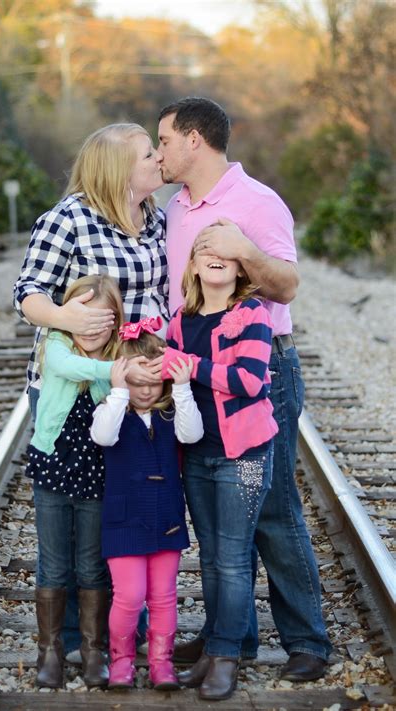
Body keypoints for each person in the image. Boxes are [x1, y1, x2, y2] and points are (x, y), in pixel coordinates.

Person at [157, 96, 332, 682]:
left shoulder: (258, 202)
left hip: (260, 374)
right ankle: (230, 639)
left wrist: (244, 251)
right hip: (197, 380)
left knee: (274, 510)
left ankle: (307, 639)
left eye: (163, 141)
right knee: (215, 522)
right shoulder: (175, 208)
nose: (159, 153)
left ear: (193, 140)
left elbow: (287, 285)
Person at [13, 123, 166, 664]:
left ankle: (123, 633)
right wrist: (65, 315)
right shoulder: (67, 219)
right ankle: (73, 642)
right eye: (149, 153)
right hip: (76, 386)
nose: (159, 158)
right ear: (119, 168)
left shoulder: (157, 219)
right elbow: (28, 293)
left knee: (124, 507)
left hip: (141, 387)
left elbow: (161, 297)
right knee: (74, 514)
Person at [159, 243, 277, 700]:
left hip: (245, 455)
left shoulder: (252, 315)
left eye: (225, 251)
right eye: (204, 249)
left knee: (232, 557)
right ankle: (213, 649)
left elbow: (249, 380)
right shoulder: (178, 320)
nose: (215, 256)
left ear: (238, 266)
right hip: (198, 456)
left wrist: (191, 367)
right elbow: (170, 379)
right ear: (191, 264)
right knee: (210, 556)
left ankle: (227, 656)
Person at [90, 316, 203, 691]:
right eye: (138, 382)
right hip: (123, 522)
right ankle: (121, 660)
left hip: (166, 520)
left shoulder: (172, 410)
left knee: (163, 596)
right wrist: (118, 390)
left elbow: (193, 434)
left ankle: (161, 663)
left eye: (155, 381)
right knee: (129, 596)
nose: (146, 390)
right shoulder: (111, 410)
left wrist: (183, 387)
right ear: (124, 379)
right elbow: (103, 438)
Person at [25, 274, 124, 689]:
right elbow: (65, 368)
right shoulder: (57, 345)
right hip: (52, 467)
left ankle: (92, 650)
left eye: (103, 324)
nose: (92, 331)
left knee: (90, 564)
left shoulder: (115, 356)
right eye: (85, 321)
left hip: (97, 475)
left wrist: (115, 371)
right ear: (69, 318)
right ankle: (49, 652)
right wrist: (113, 369)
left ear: (116, 325)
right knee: (53, 562)